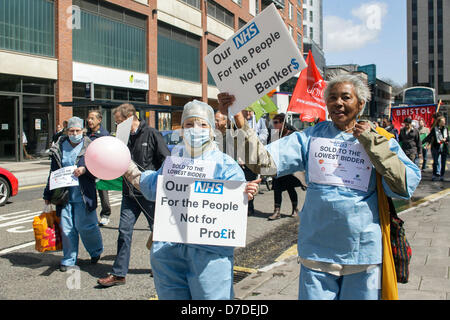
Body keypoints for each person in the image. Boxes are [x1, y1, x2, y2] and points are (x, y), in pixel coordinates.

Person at [218, 74, 421, 300]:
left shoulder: (380, 139)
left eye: (346, 97)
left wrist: (373, 145)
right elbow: (264, 163)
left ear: (361, 104)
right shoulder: (311, 137)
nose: (338, 103)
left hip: (363, 254)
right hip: (317, 252)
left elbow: (405, 185)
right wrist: (239, 120)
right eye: (332, 98)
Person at [122, 100, 259, 300]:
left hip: (210, 255)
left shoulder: (226, 166)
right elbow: (152, 187)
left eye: (202, 124)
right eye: (189, 124)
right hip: (168, 252)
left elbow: (233, 208)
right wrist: (126, 167)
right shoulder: (173, 163)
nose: (195, 129)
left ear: (212, 129)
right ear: (182, 129)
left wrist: (244, 195)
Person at [97, 103, 170, 287]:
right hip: (129, 194)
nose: (117, 126)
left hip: (149, 194)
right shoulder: (121, 138)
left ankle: (161, 266)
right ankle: (119, 274)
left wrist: (159, 185)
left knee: (159, 231)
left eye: (119, 122)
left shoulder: (152, 133)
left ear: (130, 117)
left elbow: (167, 160)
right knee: (124, 231)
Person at [43, 116, 103, 272]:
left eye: (77, 130)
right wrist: (47, 194)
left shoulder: (91, 147)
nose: (74, 133)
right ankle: (69, 259)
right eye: (71, 131)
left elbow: (98, 167)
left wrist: (85, 170)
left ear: (82, 131)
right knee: (67, 228)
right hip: (64, 195)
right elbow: (53, 172)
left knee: (86, 227)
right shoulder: (59, 147)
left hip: (84, 194)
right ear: (66, 131)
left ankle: (95, 251)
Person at [268, 113, 306, 220]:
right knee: (277, 188)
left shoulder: (292, 134)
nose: (274, 125)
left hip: (289, 167)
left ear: (283, 123)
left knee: (290, 188)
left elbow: (295, 149)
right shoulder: (274, 134)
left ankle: (295, 209)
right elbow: (269, 147)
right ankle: (277, 211)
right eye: (273, 123)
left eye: (276, 123)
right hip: (277, 166)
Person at [86, 110, 112, 226]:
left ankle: (105, 214)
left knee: (103, 192)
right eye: (88, 118)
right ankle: (90, 215)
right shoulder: (86, 135)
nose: (89, 121)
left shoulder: (104, 135)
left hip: (100, 169)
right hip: (87, 168)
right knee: (88, 192)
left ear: (99, 120)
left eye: (92, 118)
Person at [425, 116, 448, 181]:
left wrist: (445, 139)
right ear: (439, 122)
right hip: (436, 147)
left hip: (443, 147)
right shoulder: (435, 129)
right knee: (435, 162)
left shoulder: (445, 129)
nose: (444, 123)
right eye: (443, 122)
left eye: (444, 121)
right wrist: (424, 143)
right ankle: (434, 175)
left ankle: (442, 175)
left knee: (443, 163)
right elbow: (429, 137)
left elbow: (448, 138)